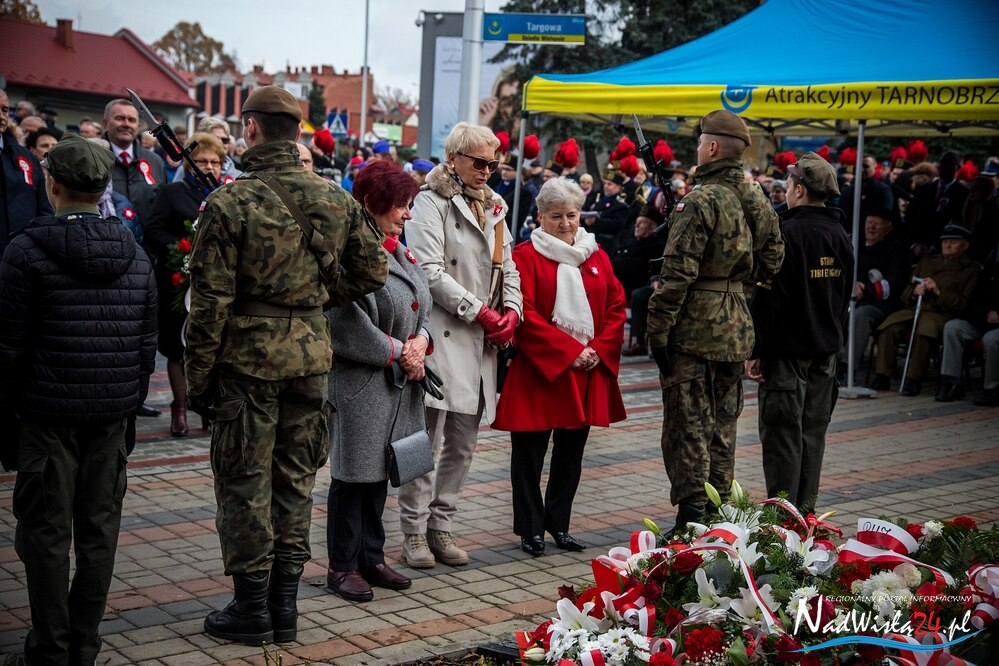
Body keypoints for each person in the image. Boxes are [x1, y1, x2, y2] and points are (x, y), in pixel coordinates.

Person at [184, 86, 387, 645]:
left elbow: (209, 305)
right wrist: (314, 300)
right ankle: (285, 607)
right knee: (296, 480)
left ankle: (251, 609)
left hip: (248, 365)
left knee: (246, 481)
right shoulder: (335, 198)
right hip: (311, 359)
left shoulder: (229, 203)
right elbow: (374, 270)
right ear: (298, 131)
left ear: (250, 127)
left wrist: (197, 379)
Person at [0, 134, 157, 666]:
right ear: (103, 188)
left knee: (45, 535)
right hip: (109, 417)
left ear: (52, 186)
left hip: (46, 417)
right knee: (98, 533)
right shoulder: (135, 255)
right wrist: (128, 405)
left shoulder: (24, 251)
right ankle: (82, 646)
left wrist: (7, 422)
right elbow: (145, 349)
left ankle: (50, 650)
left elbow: (8, 349)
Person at [647, 109, 784, 533]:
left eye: (699, 143)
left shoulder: (699, 200)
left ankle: (692, 518)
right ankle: (719, 511)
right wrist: (738, 291)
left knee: (688, 425)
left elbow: (677, 274)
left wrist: (657, 330)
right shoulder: (756, 197)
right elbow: (774, 258)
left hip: (694, 330)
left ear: (710, 147)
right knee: (723, 426)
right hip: (736, 326)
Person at [401, 122, 522, 569]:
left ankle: (442, 525)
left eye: (493, 163)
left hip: (480, 341)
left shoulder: (495, 206)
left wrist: (512, 311)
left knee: (463, 444)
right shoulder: (430, 202)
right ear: (453, 158)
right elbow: (428, 271)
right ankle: (413, 530)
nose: (487, 170)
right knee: (423, 441)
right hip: (439, 333)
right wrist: (481, 311)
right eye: (479, 162)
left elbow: (509, 266)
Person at [492, 177, 626, 556]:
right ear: (540, 216)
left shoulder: (596, 255)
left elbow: (616, 306)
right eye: (556, 216)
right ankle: (530, 529)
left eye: (571, 215)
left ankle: (559, 525)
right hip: (540, 372)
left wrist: (597, 348)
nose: (566, 223)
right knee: (528, 457)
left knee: (570, 457)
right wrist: (569, 351)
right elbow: (524, 312)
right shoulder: (525, 256)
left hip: (584, 372)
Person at [325, 160, 428, 601]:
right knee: (353, 478)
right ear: (370, 203)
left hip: (396, 382)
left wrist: (421, 341)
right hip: (361, 384)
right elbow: (345, 324)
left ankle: (371, 556)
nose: (407, 213)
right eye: (400, 204)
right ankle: (342, 566)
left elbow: (423, 305)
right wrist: (402, 351)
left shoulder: (398, 250)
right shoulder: (351, 252)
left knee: (379, 474)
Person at [745, 152, 853, 514]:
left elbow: (769, 299)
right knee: (812, 435)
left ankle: (782, 520)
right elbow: (843, 298)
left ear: (800, 190)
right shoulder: (840, 235)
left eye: (790, 183)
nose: (787, 189)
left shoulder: (786, 233)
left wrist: (757, 349)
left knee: (783, 438)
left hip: (787, 356)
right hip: (825, 353)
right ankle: (806, 516)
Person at [145, 132, 226, 437]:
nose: (209, 166)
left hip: (215, 284)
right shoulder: (172, 193)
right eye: (202, 160)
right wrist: (182, 250)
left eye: (215, 161)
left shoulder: (225, 193)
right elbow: (154, 229)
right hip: (179, 282)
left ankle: (208, 407)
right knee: (178, 347)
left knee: (213, 346)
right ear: (189, 164)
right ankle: (179, 408)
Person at [872, 225, 980, 396]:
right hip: (915, 307)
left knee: (925, 332)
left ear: (965, 245)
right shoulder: (927, 261)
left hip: (940, 312)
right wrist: (914, 291)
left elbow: (964, 303)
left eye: (953, 242)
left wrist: (938, 292)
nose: (948, 245)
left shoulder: (971, 270)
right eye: (945, 241)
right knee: (889, 326)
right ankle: (882, 375)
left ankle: (913, 379)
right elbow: (907, 289)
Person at [845, 209, 910, 379]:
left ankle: (846, 367)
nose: (871, 227)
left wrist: (865, 289)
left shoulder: (896, 250)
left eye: (877, 223)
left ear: (888, 228)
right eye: (869, 222)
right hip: (850, 298)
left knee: (861, 315)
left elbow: (896, 282)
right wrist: (851, 284)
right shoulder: (854, 245)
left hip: (881, 305)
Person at [935, 246, 999, 406]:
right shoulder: (991, 269)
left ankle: (992, 388)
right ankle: (952, 382)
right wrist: (985, 313)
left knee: (991, 339)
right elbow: (973, 300)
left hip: (995, 328)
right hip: (983, 320)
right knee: (953, 327)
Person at [1, 88, 53, 256]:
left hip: (21, 257)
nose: (1, 116)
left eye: (5, 110)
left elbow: (44, 209)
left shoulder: (27, 159)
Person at [103, 98, 166, 225]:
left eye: (131, 120)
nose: (126, 124)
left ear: (138, 126)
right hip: (106, 235)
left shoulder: (156, 162)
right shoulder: (93, 160)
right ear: (106, 124)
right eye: (120, 118)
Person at [837, 154, 893, 235]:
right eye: (859, 166)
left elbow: (884, 216)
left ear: (875, 166)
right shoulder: (847, 191)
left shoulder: (883, 190)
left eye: (866, 166)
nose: (862, 169)